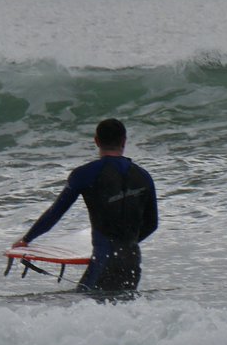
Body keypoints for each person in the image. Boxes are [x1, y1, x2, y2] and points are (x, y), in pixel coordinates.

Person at [12, 118, 158, 292]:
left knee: (86, 307)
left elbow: (56, 212)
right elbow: (152, 224)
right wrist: (125, 245)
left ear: (96, 141)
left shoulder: (85, 174)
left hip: (104, 258)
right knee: (121, 310)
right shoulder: (143, 176)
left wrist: (26, 239)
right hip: (132, 259)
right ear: (124, 141)